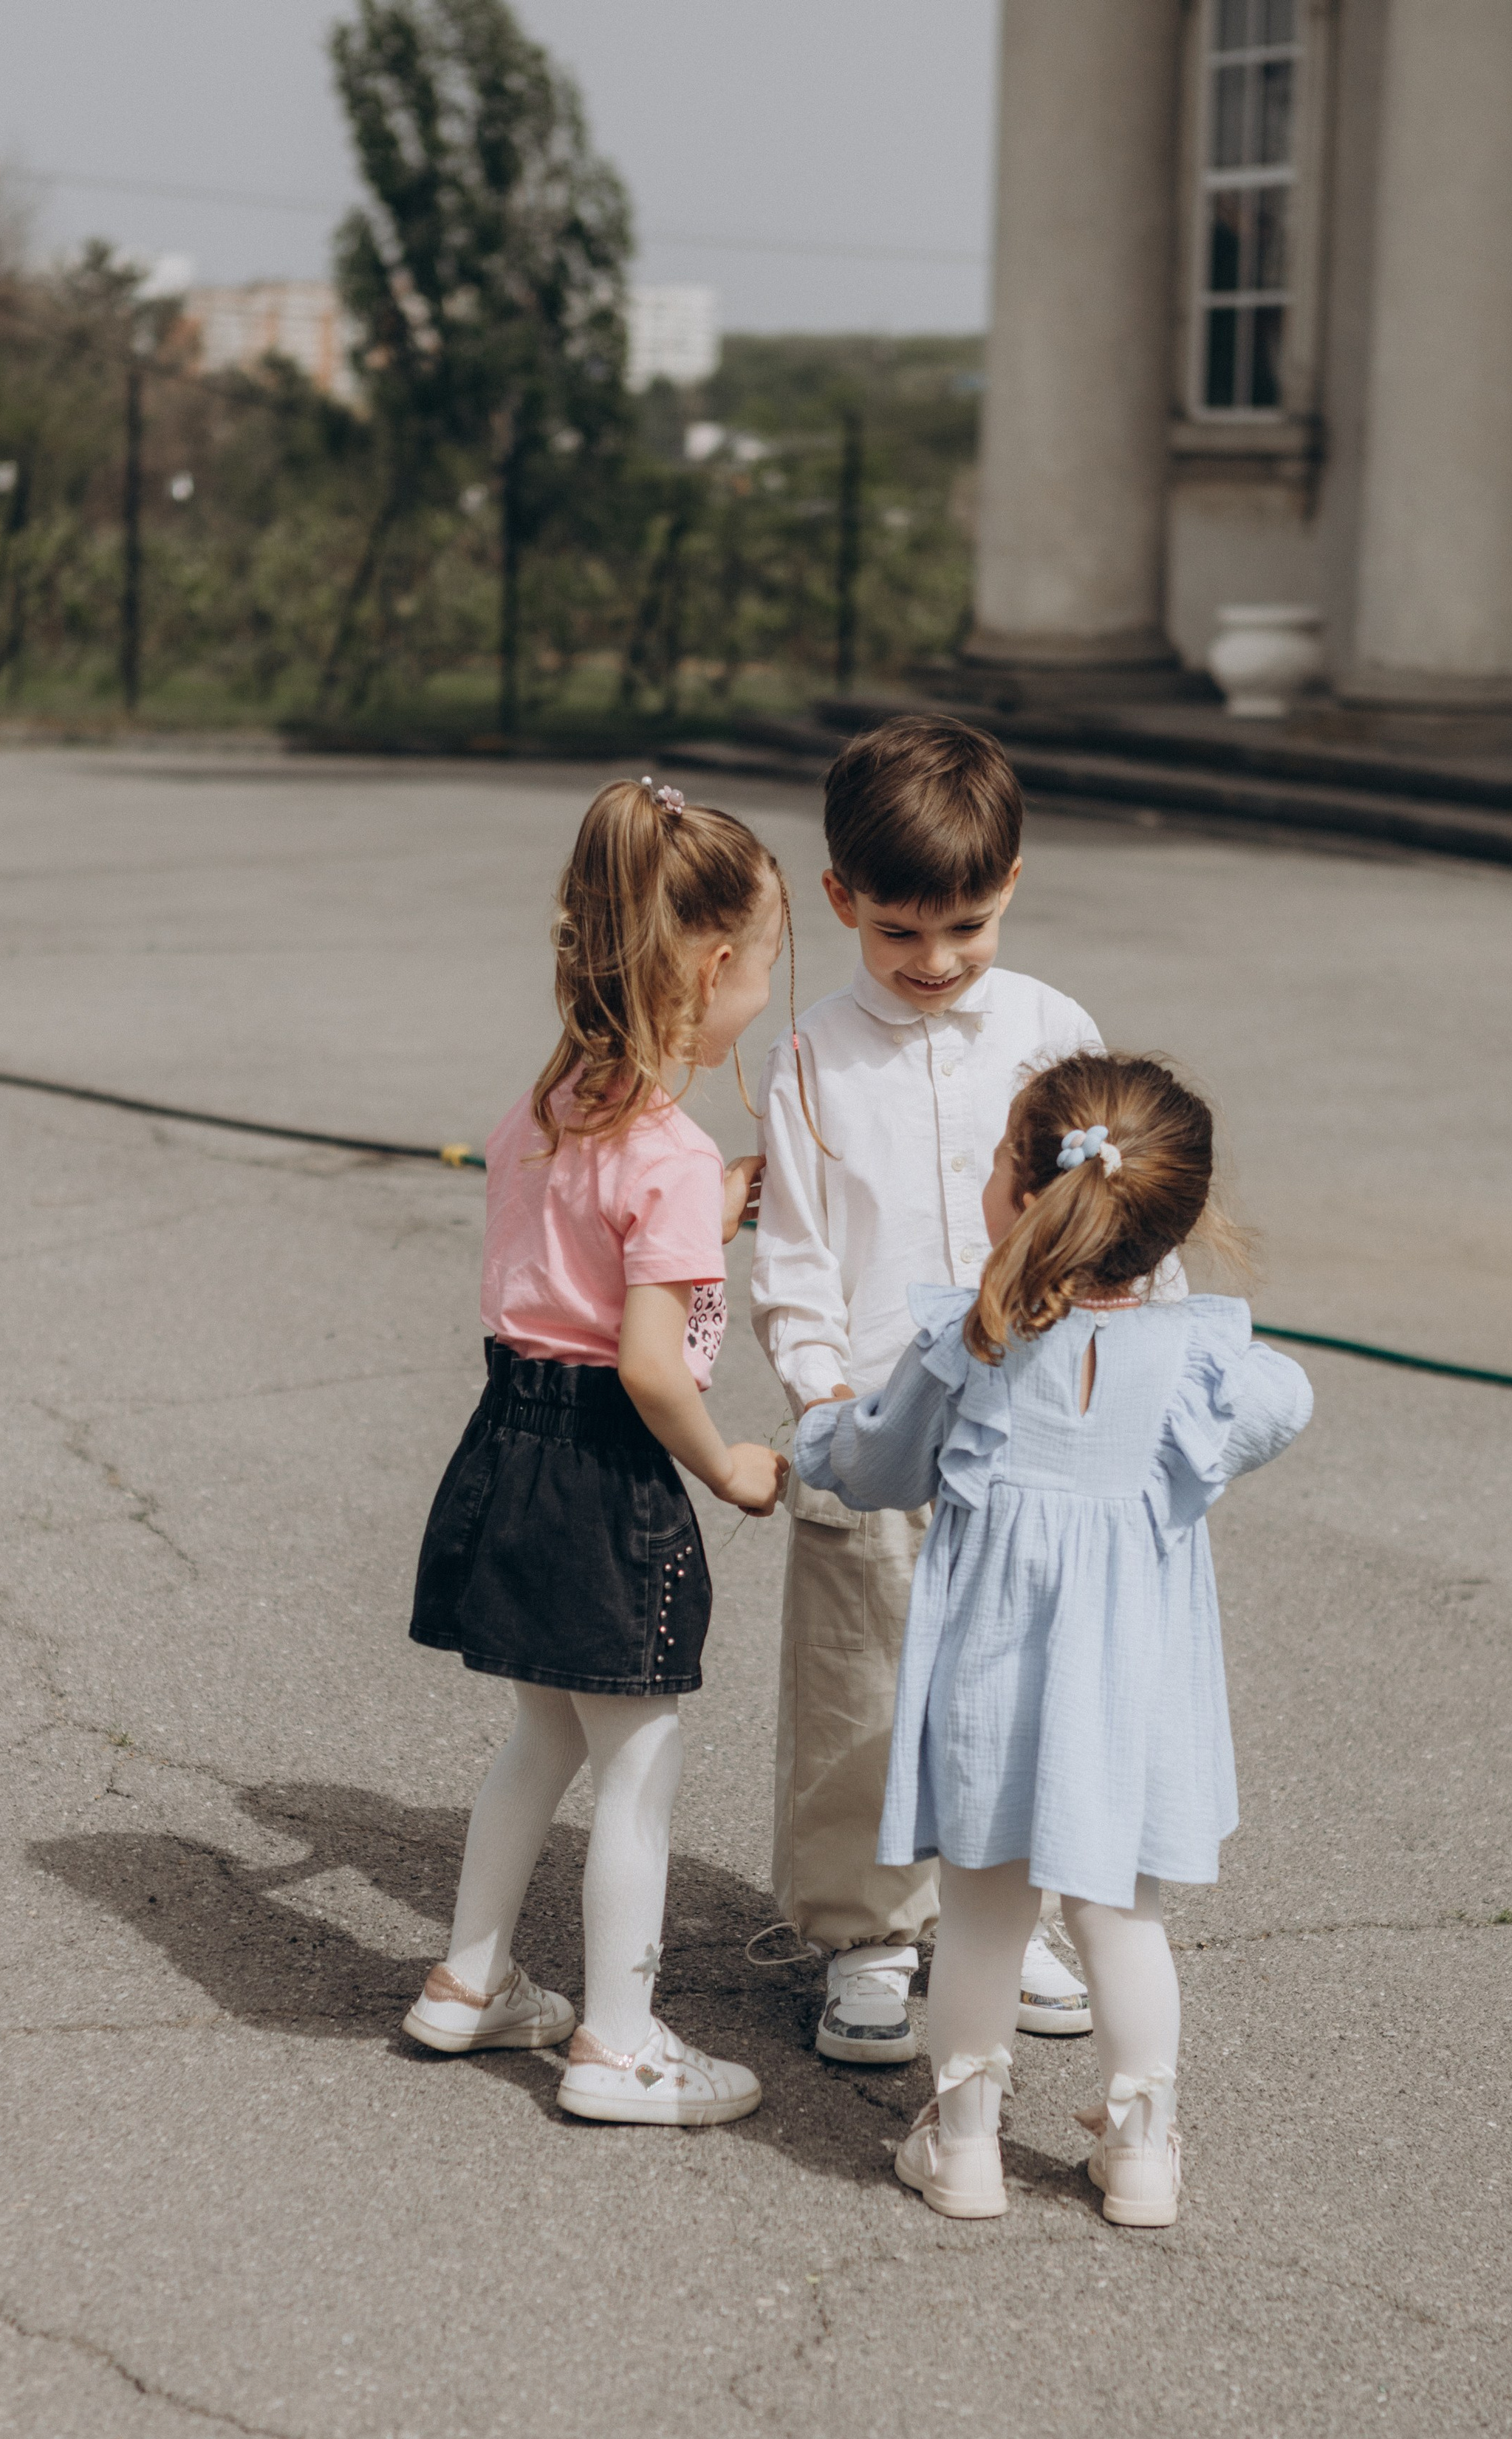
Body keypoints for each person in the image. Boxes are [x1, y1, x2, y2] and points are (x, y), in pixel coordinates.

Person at [795, 1051, 1313, 2223]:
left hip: (992, 1688)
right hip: (1130, 1695)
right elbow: (1287, 1400)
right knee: (1124, 1922)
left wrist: (816, 1436)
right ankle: (1139, 2156)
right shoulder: (1198, 1356)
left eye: (995, 1164)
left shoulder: (969, 1346)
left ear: (1029, 1197)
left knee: (981, 1915)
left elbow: (871, 1464)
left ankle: (967, 2147)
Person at [406, 777, 789, 2126]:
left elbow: (590, 1245)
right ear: (718, 963)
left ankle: (468, 1982)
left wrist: (709, 1204)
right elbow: (643, 1359)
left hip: (509, 1439)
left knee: (541, 1733)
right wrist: (729, 1461)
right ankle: (620, 2044)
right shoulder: (670, 1156)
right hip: (608, 1467)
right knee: (638, 1761)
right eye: (769, 967)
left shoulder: (554, 1099)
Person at [751, 711, 1116, 2067]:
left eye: (964, 928)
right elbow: (791, 1246)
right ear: (841, 898)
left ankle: (1006, 1919)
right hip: (877, 1419)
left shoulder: (1053, 1026)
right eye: (899, 933)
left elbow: (1113, 1211)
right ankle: (867, 1933)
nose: (933, 963)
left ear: (1011, 884)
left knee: (1022, 1674)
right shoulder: (811, 1054)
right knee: (862, 1677)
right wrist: (817, 1394)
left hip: (1036, 1418)